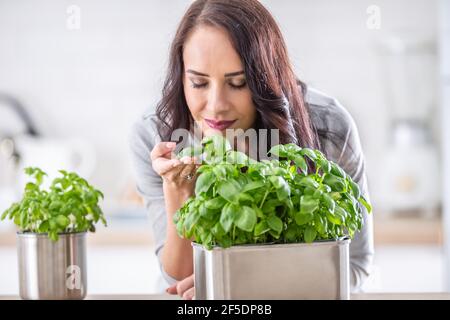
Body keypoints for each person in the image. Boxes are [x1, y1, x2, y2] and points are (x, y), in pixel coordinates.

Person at [129, 0, 374, 300]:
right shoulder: (154, 135)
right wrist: (177, 189)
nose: (216, 105)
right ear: (180, 76)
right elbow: (177, 277)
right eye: (198, 83)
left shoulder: (329, 126)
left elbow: (355, 267)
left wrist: (243, 285)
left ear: (266, 78)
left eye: (238, 83)